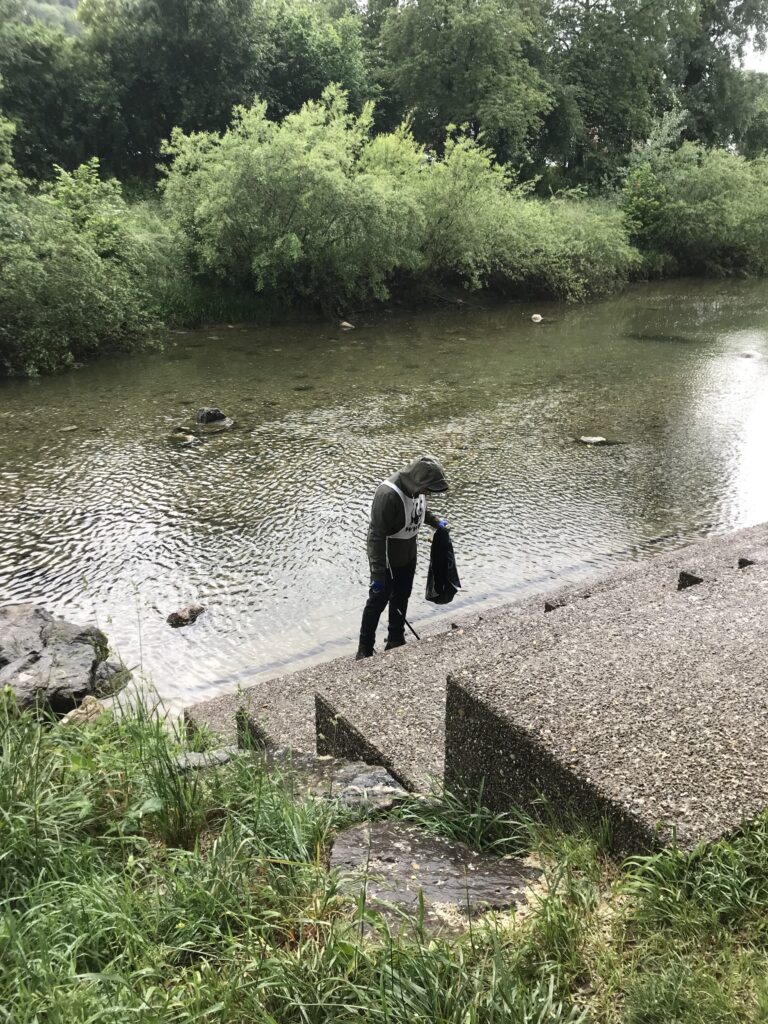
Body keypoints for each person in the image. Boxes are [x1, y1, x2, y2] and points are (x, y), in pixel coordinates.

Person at [356, 454, 449, 659]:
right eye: (428, 489)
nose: (428, 494)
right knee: (377, 602)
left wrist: (436, 522)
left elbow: (419, 510)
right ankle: (364, 648)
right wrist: (378, 574)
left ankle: (396, 638)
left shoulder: (417, 488)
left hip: (408, 555)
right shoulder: (388, 495)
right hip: (388, 560)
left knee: (402, 596)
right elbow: (376, 537)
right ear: (418, 481)